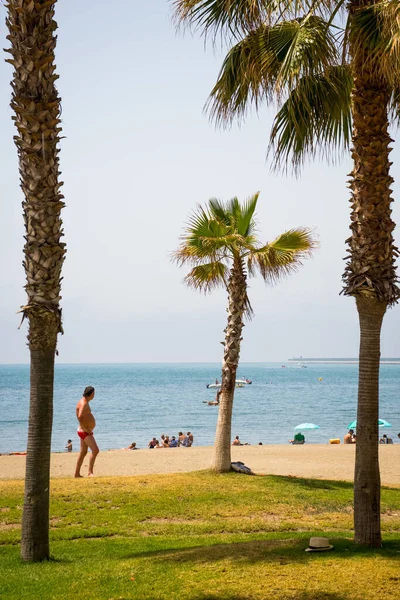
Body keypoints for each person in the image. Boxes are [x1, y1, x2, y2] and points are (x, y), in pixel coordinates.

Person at [74, 386, 99, 478]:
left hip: (84, 431)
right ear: (91, 393)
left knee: (83, 452)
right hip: (84, 431)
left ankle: (77, 474)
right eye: (94, 393)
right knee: (95, 450)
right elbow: (80, 416)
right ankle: (90, 472)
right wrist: (84, 427)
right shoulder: (84, 403)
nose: (94, 395)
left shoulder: (85, 401)